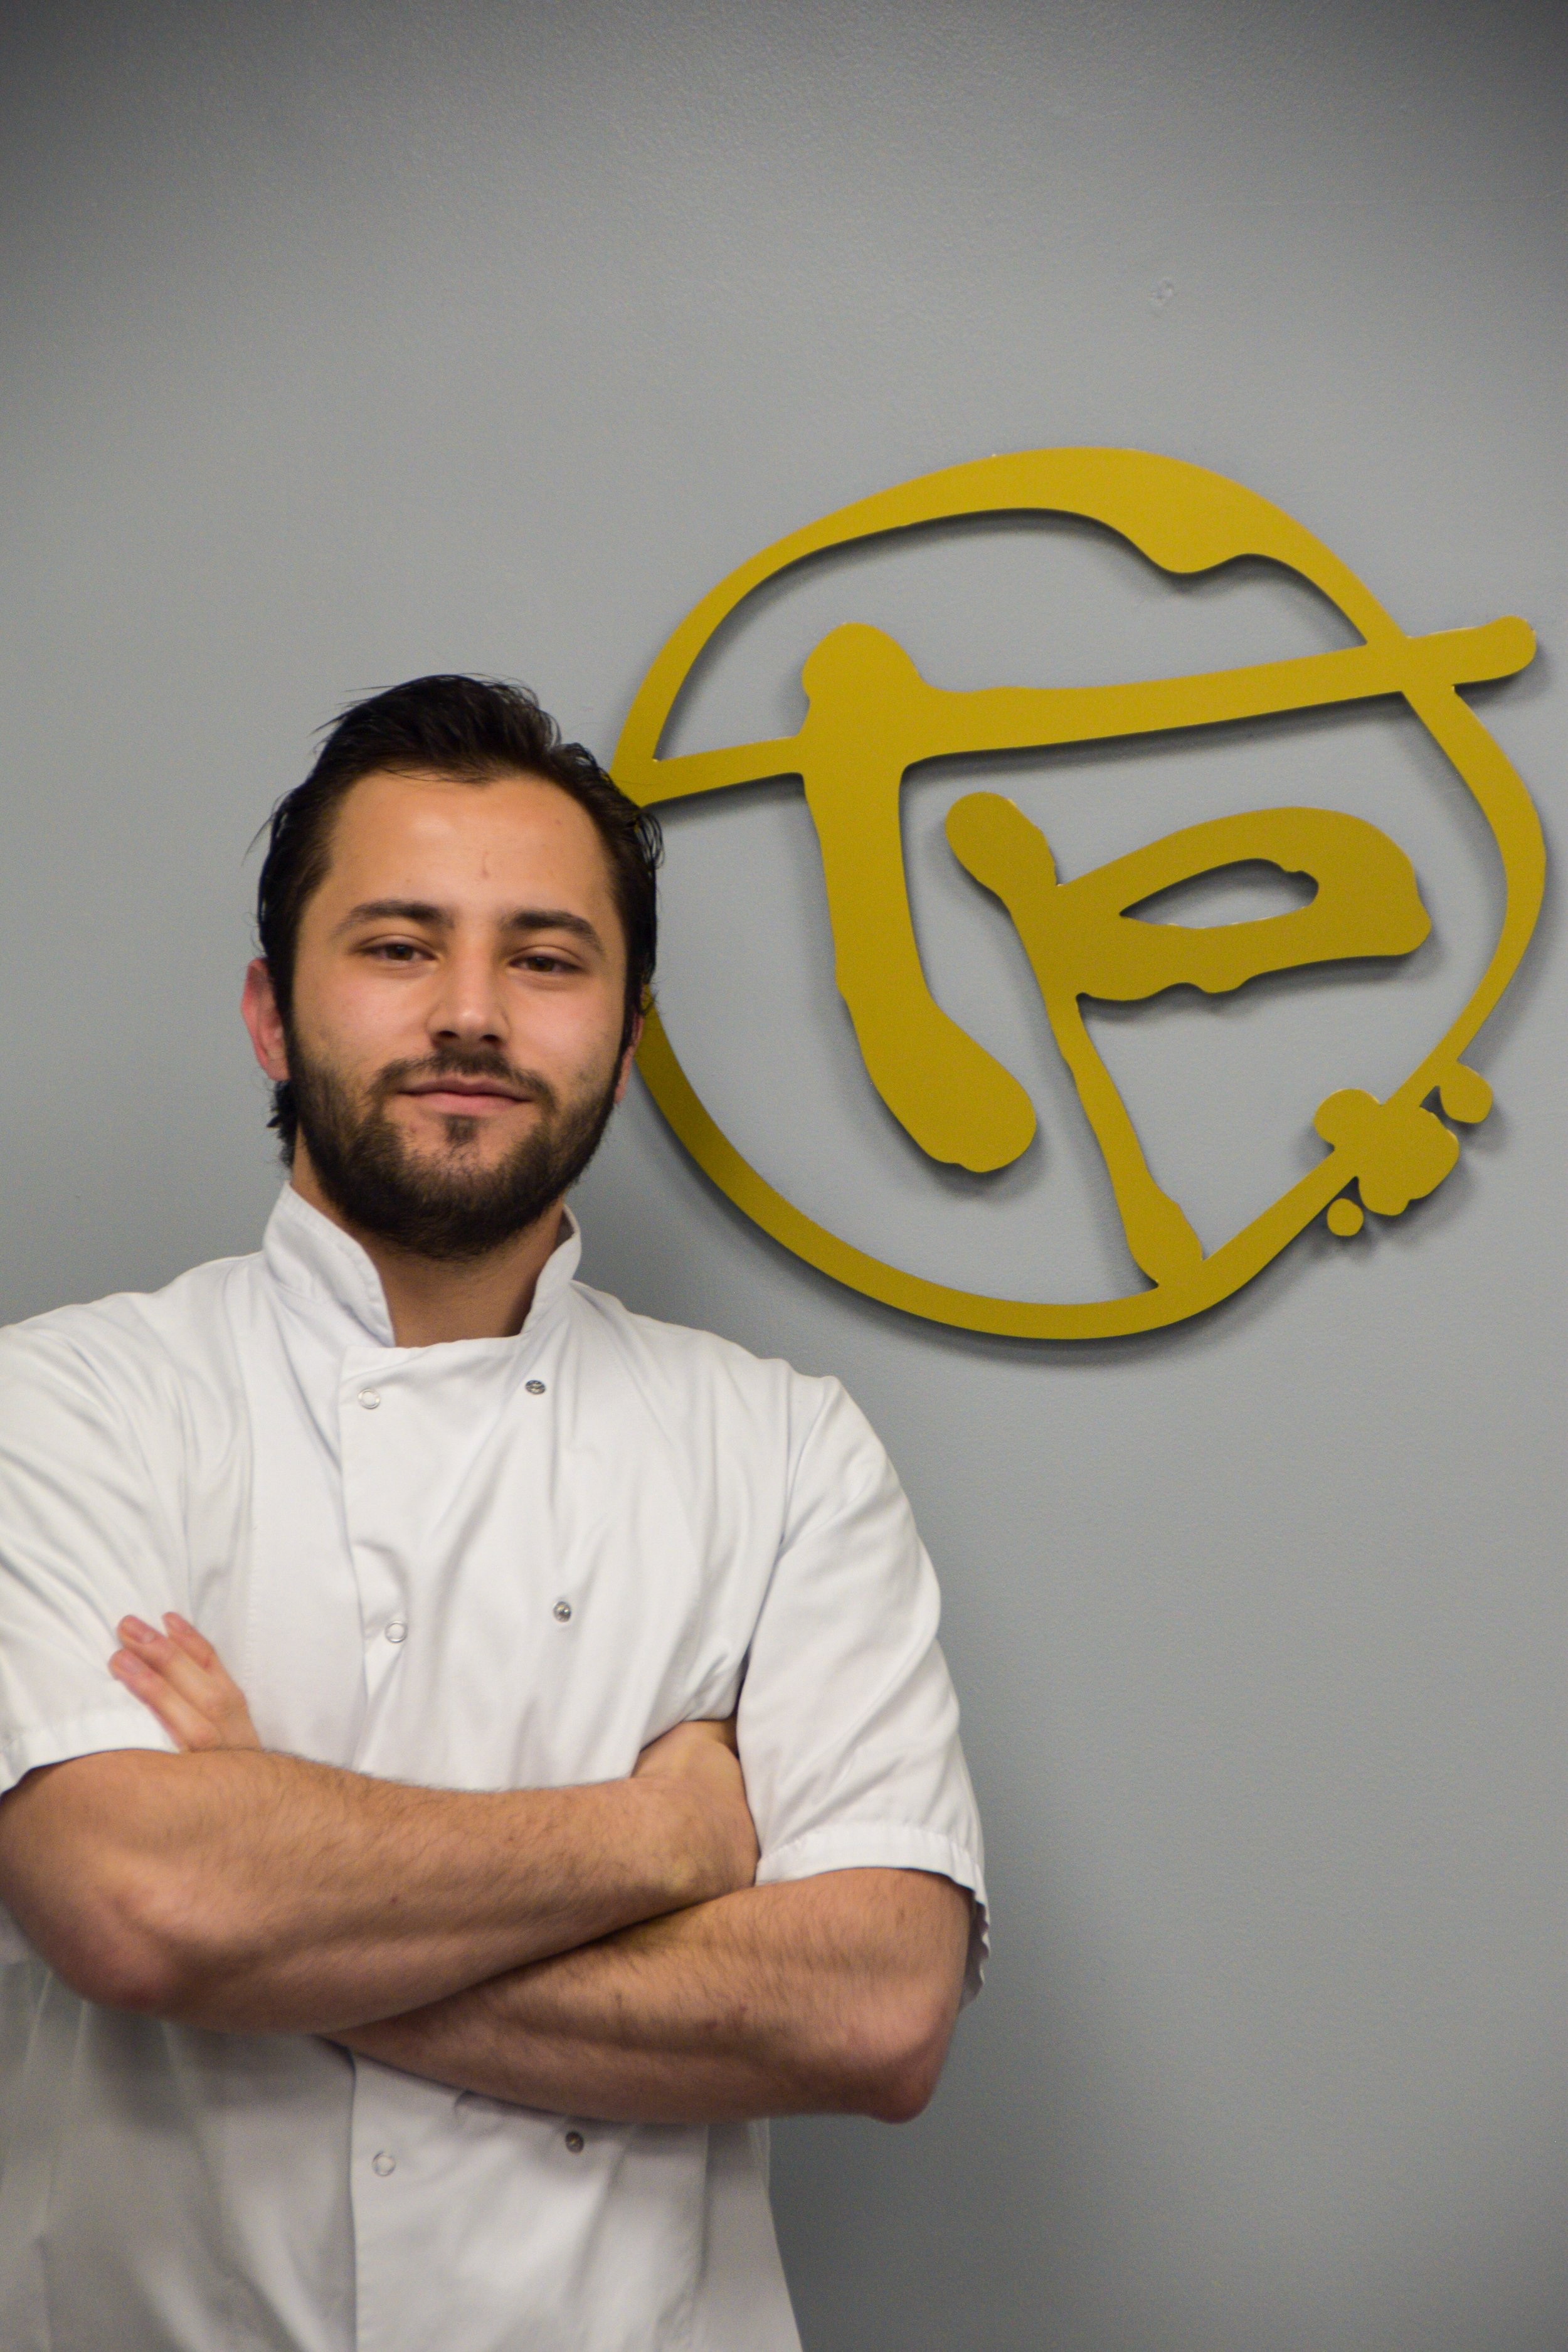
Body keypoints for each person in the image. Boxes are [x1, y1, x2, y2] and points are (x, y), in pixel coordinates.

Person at [0, 674, 986, 2352]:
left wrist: (276, 1901)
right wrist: (660, 1843)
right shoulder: (67, 1400)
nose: (470, 1011)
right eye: (397, 946)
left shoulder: (784, 1448)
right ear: (269, 1012)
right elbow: (139, 1905)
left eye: (544, 957)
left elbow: (877, 2013)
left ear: (624, 1029)